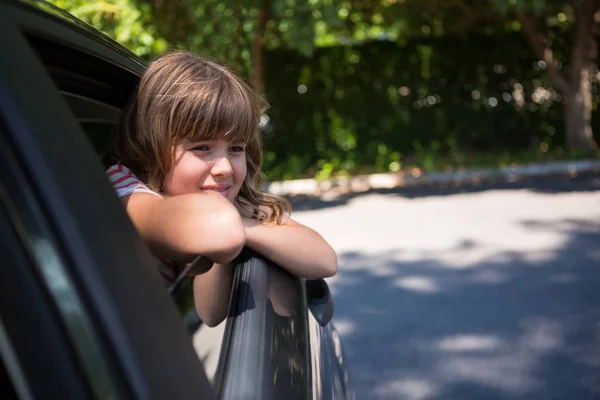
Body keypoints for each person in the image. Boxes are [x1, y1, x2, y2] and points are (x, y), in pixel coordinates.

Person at [106, 51, 337, 326]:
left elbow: (325, 260)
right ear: (149, 146)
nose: (225, 168)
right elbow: (220, 237)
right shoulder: (123, 190)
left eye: (236, 148)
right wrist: (243, 224)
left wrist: (240, 221)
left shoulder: (225, 207)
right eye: (202, 147)